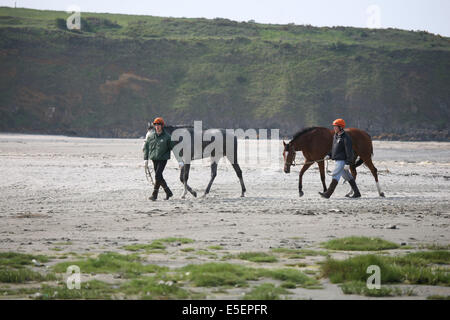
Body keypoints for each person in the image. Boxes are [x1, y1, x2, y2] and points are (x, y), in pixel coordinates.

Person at [319, 118, 361, 199]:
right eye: (334, 126)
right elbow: (334, 148)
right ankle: (357, 192)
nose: (334, 128)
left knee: (335, 176)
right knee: (348, 177)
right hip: (338, 160)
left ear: (341, 127)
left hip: (342, 161)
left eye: (335, 126)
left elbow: (349, 151)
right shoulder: (336, 136)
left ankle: (328, 194)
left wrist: (348, 163)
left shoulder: (346, 137)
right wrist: (329, 155)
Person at [143, 117, 174, 201]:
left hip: (163, 158)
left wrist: (180, 160)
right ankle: (168, 192)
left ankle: (154, 194)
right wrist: (145, 159)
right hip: (154, 158)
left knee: (157, 175)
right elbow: (146, 147)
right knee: (159, 176)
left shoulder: (167, 137)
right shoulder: (151, 136)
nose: (157, 126)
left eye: (159, 125)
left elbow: (173, 147)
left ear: (162, 126)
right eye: (156, 125)